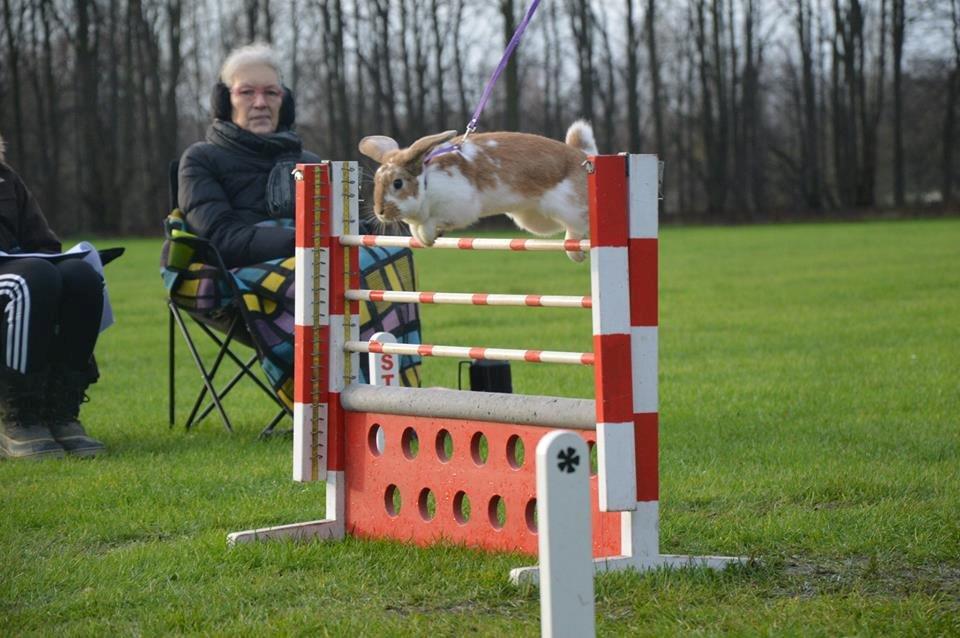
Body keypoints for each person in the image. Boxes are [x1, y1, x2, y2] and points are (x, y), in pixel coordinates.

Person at [164, 43, 420, 412]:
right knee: (320, 272)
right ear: (224, 100)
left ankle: (393, 392)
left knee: (388, 255)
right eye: (246, 92)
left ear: (285, 101)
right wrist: (308, 242)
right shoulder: (201, 158)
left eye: (271, 92)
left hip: (307, 256)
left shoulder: (308, 162)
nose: (260, 102)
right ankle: (334, 401)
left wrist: (400, 213)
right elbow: (221, 238)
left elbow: (343, 226)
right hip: (227, 269)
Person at [0, 133, 106, 459]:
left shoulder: (6, 178)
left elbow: (43, 243)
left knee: (81, 277)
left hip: (20, 269)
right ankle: (18, 412)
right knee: (32, 280)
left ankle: (60, 410)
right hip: (16, 279)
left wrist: (55, 261)